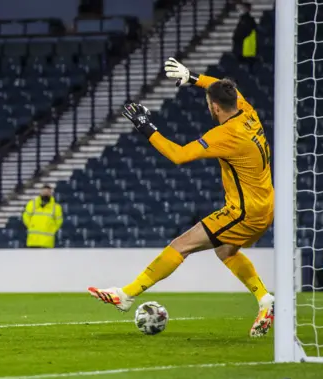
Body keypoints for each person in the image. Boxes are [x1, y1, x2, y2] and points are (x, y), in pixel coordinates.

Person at [89, 57, 274, 337]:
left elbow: (179, 155)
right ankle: (264, 298)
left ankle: (126, 295)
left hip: (244, 212)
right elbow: (218, 85)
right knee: (226, 251)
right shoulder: (247, 111)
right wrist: (192, 77)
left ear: (214, 107)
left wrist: (145, 126)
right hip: (265, 205)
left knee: (181, 244)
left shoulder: (225, 135)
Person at [232, 2, 257, 72]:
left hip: (246, 51)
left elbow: (242, 34)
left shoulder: (248, 21)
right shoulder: (243, 20)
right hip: (242, 50)